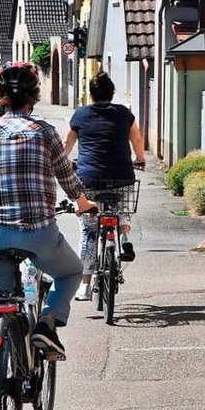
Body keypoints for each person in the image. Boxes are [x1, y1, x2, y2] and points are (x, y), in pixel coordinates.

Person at [0, 61, 97, 410]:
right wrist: (84, 204)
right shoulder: (44, 131)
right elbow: (68, 179)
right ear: (34, 98)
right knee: (71, 272)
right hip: (38, 233)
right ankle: (47, 324)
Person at [64, 71, 145, 301]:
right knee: (122, 207)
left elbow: (66, 145)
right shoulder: (124, 114)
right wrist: (139, 158)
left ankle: (85, 286)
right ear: (112, 93)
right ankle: (124, 237)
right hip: (121, 175)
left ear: (91, 95)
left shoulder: (80, 115)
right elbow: (137, 140)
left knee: (89, 231)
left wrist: (63, 162)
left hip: (89, 179)